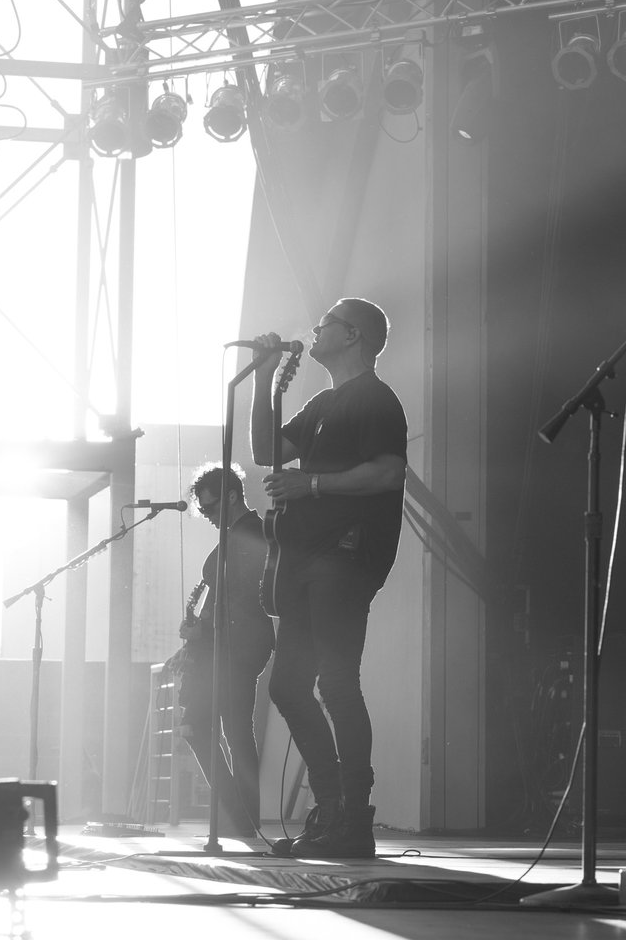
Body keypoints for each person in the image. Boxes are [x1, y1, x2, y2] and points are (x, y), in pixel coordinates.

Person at [250, 297, 408, 858]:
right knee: (288, 686)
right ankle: (332, 807)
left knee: (338, 682)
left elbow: (388, 472)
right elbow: (266, 450)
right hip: (305, 561)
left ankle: (354, 820)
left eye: (324, 325)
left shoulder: (375, 399)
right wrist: (263, 379)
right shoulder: (322, 403)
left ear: (352, 335)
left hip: (344, 557)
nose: (314, 331)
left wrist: (311, 485)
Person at [177, 463, 275, 838]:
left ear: (232, 496)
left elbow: (242, 598)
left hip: (240, 644)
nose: (207, 515)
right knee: (223, 728)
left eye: (211, 507)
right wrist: (199, 631)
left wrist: (201, 629)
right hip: (228, 644)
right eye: (202, 509)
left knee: (226, 729)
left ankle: (241, 814)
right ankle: (242, 815)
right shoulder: (236, 535)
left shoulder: (251, 534)